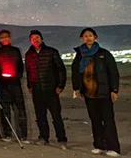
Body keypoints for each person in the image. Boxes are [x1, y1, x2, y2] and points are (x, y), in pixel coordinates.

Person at [72, 27, 121, 157]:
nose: (88, 38)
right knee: (95, 120)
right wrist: (76, 88)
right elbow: (75, 73)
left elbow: (113, 73)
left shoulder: (104, 54)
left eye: (90, 35)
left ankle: (113, 147)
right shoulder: (79, 55)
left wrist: (114, 90)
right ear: (82, 38)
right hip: (89, 93)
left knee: (108, 120)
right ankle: (99, 145)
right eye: (85, 36)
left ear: (95, 37)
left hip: (104, 92)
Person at [25, 30, 67, 149]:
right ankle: (44, 137)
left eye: (37, 37)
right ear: (30, 40)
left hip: (51, 90)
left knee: (56, 116)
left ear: (42, 38)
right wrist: (29, 85)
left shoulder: (51, 52)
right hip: (37, 90)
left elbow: (61, 69)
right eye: (32, 38)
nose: (35, 40)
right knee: (40, 116)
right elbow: (28, 71)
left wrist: (60, 86)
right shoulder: (29, 54)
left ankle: (62, 139)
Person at [0, 29, 28, 143]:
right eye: (2, 37)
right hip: (4, 85)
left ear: (10, 37)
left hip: (16, 84)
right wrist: (1, 77)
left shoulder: (16, 51)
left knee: (21, 110)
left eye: (6, 37)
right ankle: (7, 134)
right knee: (5, 110)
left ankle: (23, 135)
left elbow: (20, 67)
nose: (4, 39)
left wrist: (17, 76)